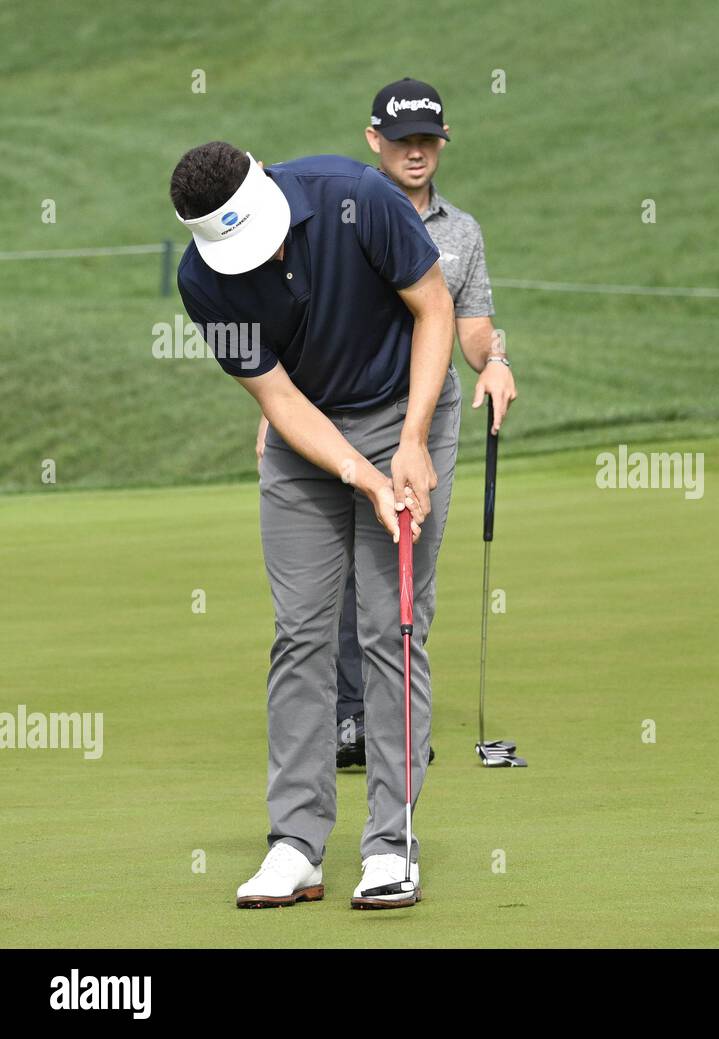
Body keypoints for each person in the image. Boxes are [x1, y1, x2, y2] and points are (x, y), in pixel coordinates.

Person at [172, 141, 456, 909]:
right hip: (306, 444)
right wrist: (362, 476)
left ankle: (390, 845)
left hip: (406, 407)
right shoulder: (202, 280)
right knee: (300, 632)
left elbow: (435, 307)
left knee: (388, 628)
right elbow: (281, 402)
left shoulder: (356, 193)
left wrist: (409, 443)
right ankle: (295, 844)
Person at [255, 78, 517, 769]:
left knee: (401, 576)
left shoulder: (462, 232)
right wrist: (275, 419)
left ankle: (391, 728)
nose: (417, 151)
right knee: (329, 581)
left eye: (429, 138)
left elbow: (471, 328)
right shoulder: (338, 214)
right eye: (403, 140)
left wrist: (495, 360)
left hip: (422, 420)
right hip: (334, 415)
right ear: (375, 141)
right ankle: (350, 720)